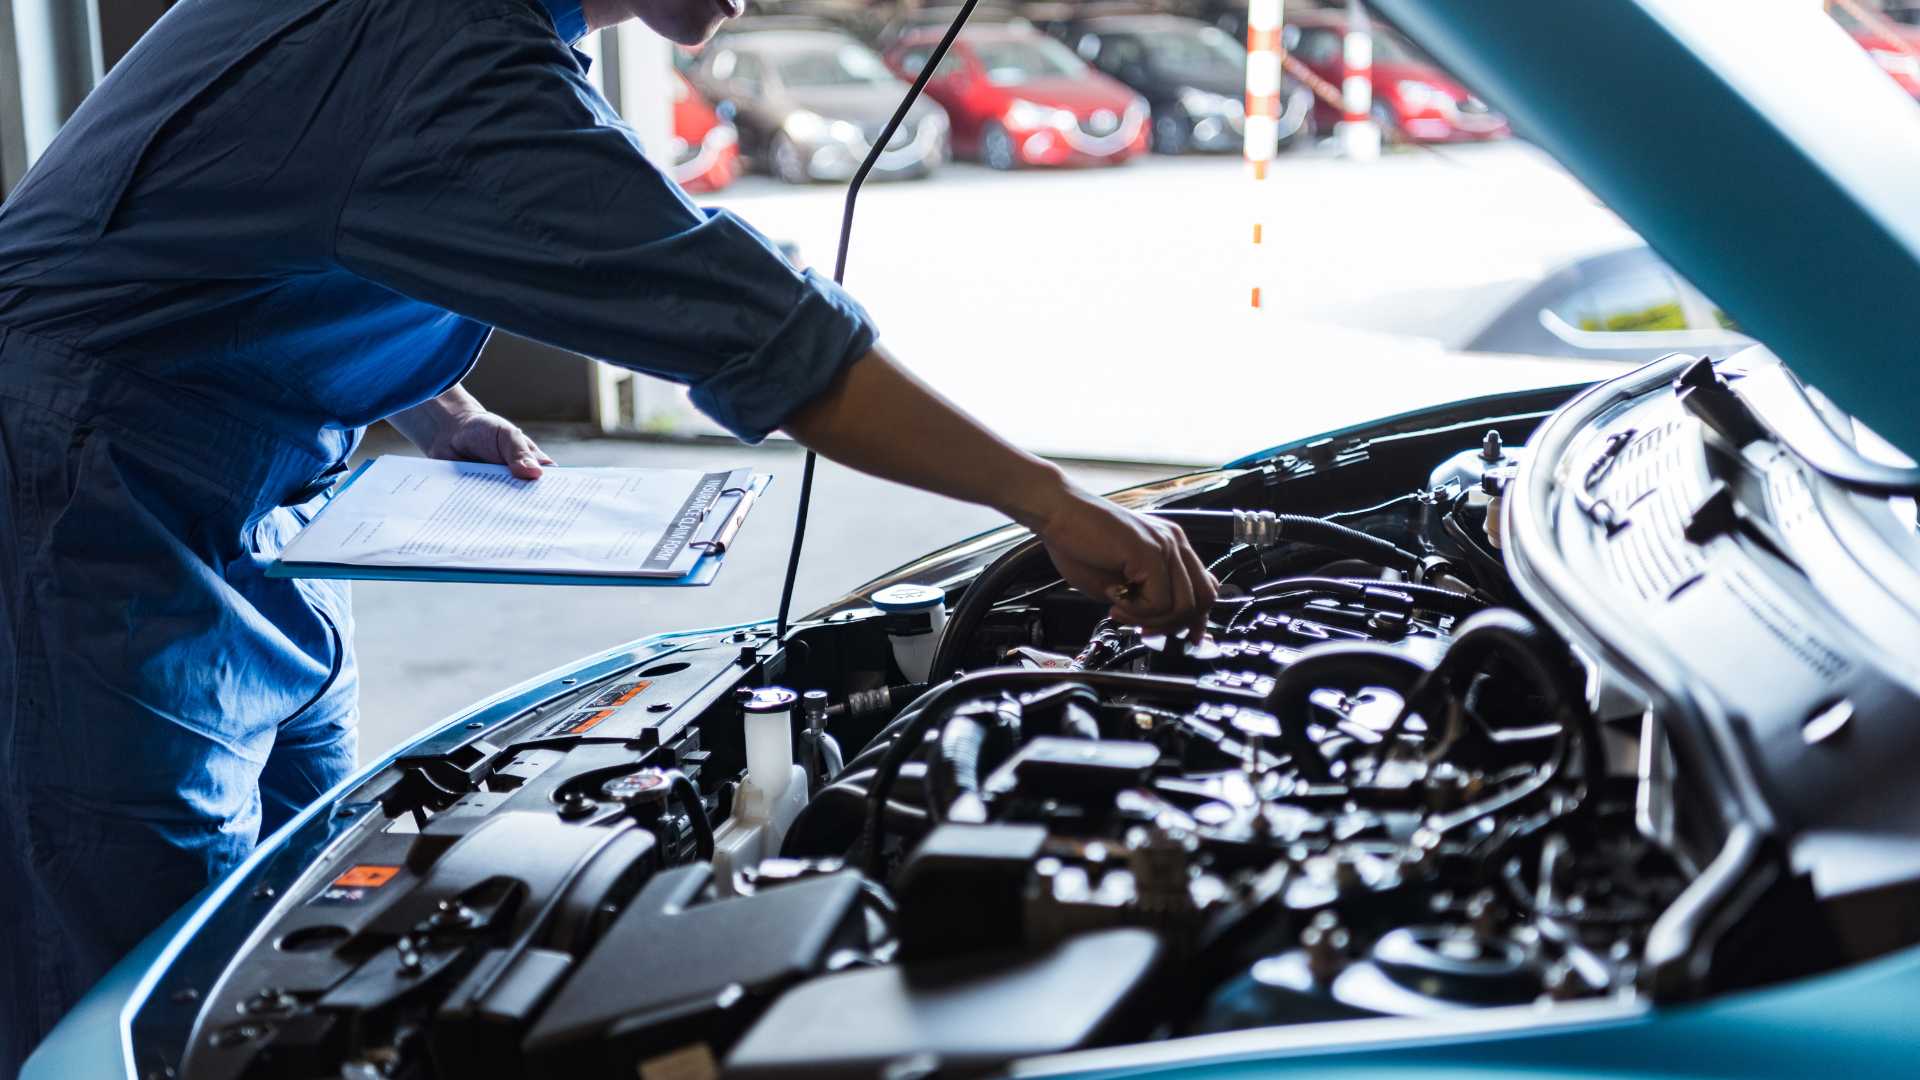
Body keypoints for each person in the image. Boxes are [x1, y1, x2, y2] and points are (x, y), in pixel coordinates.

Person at [0, 0, 1216, 1069]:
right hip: (91, 496)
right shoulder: (450, 51)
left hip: (248, 488)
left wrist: (445, 408)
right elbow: (760, 330)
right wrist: (1049, 501)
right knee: (139, 972)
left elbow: (254, 216)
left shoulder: (468, 36)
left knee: (299, 917)